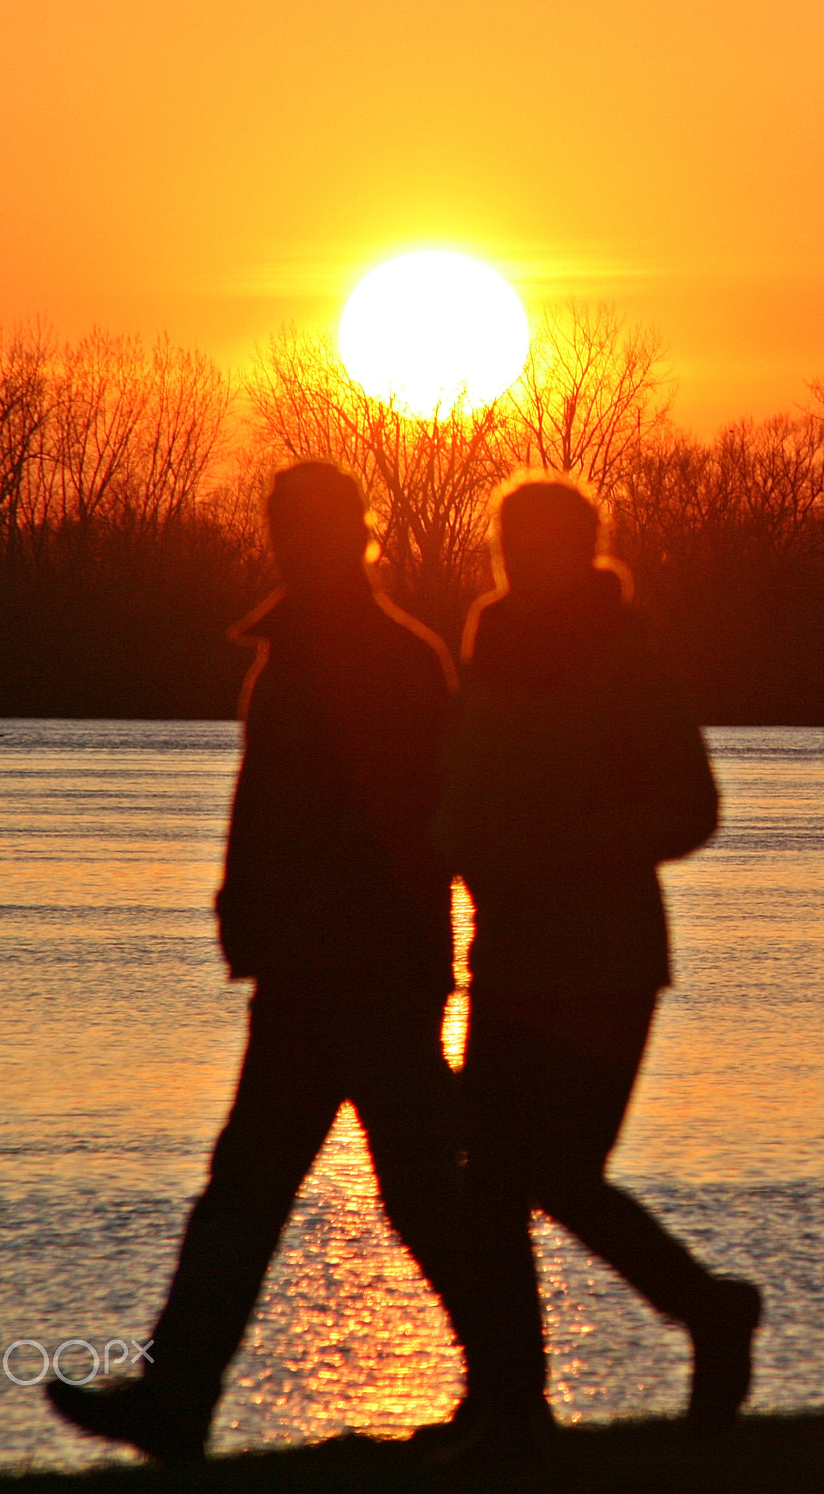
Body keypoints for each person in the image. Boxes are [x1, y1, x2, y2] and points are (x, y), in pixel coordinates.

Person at [47, 460, 483, 1464]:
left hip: (361, 970)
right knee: (257, 1191)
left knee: (402, 1188)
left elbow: (409, 819)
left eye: (310, 527)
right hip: (307, 968)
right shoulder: (303, 651)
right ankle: (178, 1400)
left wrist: (356, 937)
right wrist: (251, 919)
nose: (293, 542)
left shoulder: (381, 656)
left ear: (350, 532)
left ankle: (504, 1385)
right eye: (284, 526)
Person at [436, 475, 762, 1439]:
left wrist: (572, 850)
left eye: (543, 544)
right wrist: (457, 844)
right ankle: (507, 1402)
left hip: (605, 963)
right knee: (488, 1182)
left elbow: (692, 808)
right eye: (511, 543)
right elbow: (458, 780)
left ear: (582, 551)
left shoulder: (628, 662)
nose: (523, 561)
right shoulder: (486, 649)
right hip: (506, 960)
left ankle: (709, 1310)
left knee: (563, 1174)